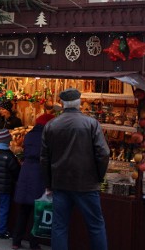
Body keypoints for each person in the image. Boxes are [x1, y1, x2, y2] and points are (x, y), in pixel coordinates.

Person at [40, 88, 109, 250]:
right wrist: (99, 177)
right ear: (79, 103)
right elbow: (103, 153)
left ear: (62, 104)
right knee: (95, 225)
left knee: (59, 227)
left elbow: (44, 158)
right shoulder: (91, 123)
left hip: (61, 183)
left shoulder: (51, 125)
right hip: (86, 183)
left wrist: (49, 183)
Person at [12, 112, 55, 250]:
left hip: (26, 173)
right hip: (39, 174)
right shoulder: (48, 138)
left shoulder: (29, 135)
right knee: (37, 212)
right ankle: (33, 243)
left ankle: (16, 241)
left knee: (23, 211)